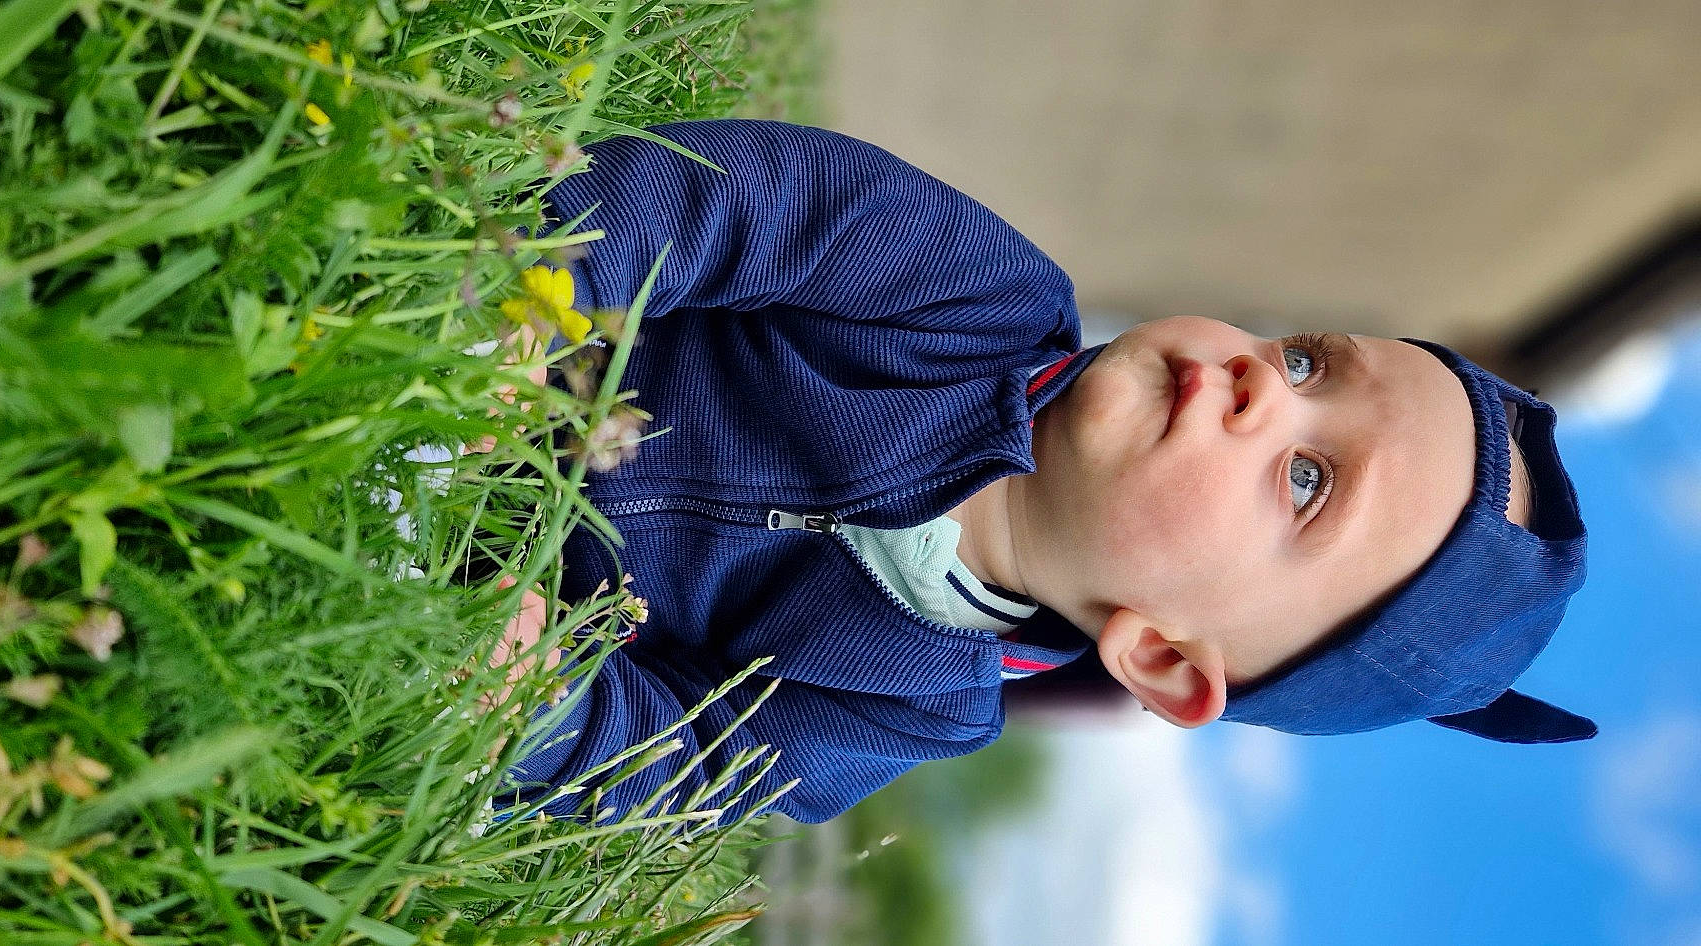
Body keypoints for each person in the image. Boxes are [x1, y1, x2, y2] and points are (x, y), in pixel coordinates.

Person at [468, 119, 1593, 826]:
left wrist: (530, 691)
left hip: (466, 572)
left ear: (1155, 652)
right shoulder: (976, 299)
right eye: (1306, 358)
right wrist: (540, 297)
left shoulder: (906, 705)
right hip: (479, 333)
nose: (1261, 381)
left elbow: (685, 762)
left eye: (1306, 479)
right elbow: (749, 199)